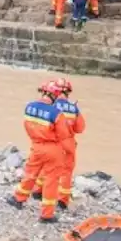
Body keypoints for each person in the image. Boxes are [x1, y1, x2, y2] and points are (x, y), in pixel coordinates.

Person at [8, 80, 74, 223]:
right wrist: (69, 151)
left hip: (36, 145)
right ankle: (46, 215)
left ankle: (18, 199)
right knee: (51, 180)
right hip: (53, 149)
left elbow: (27, 126)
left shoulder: (29, 107)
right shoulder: (56, 113)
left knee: (30, 173)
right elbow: (64, 136)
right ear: (55, 95)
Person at [52, 78, 85, 208]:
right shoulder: (73, 108)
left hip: (53, 142)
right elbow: (80, 128)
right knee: (66, 172)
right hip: (69, 143)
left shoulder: (51, 105)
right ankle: (62, 200)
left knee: (49, 169)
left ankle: (41, 192)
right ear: (68, 92)